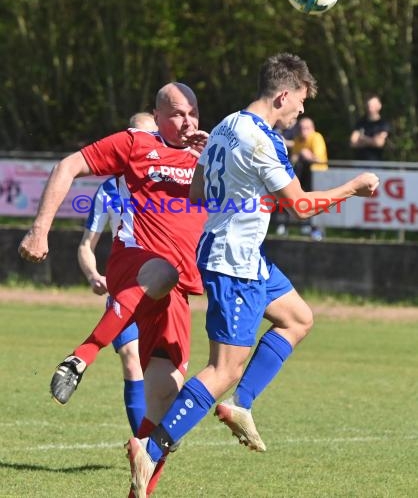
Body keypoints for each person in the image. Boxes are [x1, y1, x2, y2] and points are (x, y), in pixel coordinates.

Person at [125, 52, 380, 498]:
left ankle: (240, 405)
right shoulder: (263, 141)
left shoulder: (224, 126)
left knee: (298, 318)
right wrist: (354, 188)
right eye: (300, 102)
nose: (302, 111)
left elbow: (199, 191)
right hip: (235, 262)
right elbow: (300, 206)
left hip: (241, 255)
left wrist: (241, 190)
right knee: (223, 367)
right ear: (283, 94)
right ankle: (152, 447)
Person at [18, 83, 208, 497]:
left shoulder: (208, 155)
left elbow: (260, 192)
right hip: (136, 266)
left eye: (192, 112)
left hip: (176, 295)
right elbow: (67, 165)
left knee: (165, 415)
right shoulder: (136, 143)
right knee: (163, 273)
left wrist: (215, 157)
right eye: (177, 113)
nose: (187, 121)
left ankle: (139, 491)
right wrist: (39, 230)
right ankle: (82, 355)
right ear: (156, 116)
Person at [74, 112, 157, 437]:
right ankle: (143, 446)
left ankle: (156, 437)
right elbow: (86, 245)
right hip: (124, 286)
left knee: (160, 367)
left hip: (160, 286)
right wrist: (93, 274)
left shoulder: (165, 184)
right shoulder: (107, 190)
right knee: (131, 357)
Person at [292, 116, 328, 240]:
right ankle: (307, 227)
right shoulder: (297, 139)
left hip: (318, 174)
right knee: (305, 201)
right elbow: (293, 159)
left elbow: (317, 158)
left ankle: (318, 231)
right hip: (304, 175)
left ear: (312, 129)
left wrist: (306, 155)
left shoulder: (316, 137)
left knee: (318, 203)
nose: (303, 131)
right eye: (301, 128)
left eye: (307, 128)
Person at [349, 94, 390, 161]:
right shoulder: (360, 123)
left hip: (376, 163)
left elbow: (379, 143)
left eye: (373, 105)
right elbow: (353, 143)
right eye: (369, 105)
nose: (370, 108)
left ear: (379, 106)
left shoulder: (383, 124)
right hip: (359, 163)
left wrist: (363, 139)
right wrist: (372, 141)